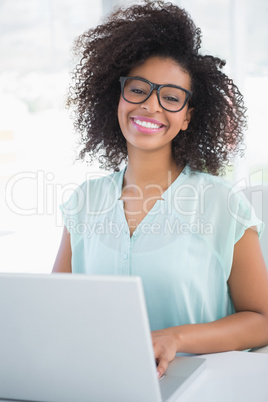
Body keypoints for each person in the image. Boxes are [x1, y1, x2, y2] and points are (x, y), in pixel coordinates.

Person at [53, 0, 268, 378]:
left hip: (201, 392)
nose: (151, 106)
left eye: (170, 97)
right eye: (138, 89)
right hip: (100, 387)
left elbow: (263, 319)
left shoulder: (221, 204)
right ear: (116, 98)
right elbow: (54, 309)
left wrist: (176, 338)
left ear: (187, 118)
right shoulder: (85, 203)